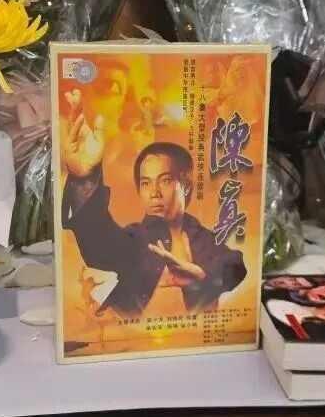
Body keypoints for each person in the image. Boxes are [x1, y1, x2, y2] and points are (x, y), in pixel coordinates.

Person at [60, 90, 247, 318]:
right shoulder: (136, 239)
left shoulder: (203, 239)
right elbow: (99, 243)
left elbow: (235, 265)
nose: (154, 193)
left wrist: (202, 276)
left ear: (186, 185)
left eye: (165, 180)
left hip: (195, 335)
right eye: (146, 183)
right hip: (134, 336)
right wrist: (85, 177)